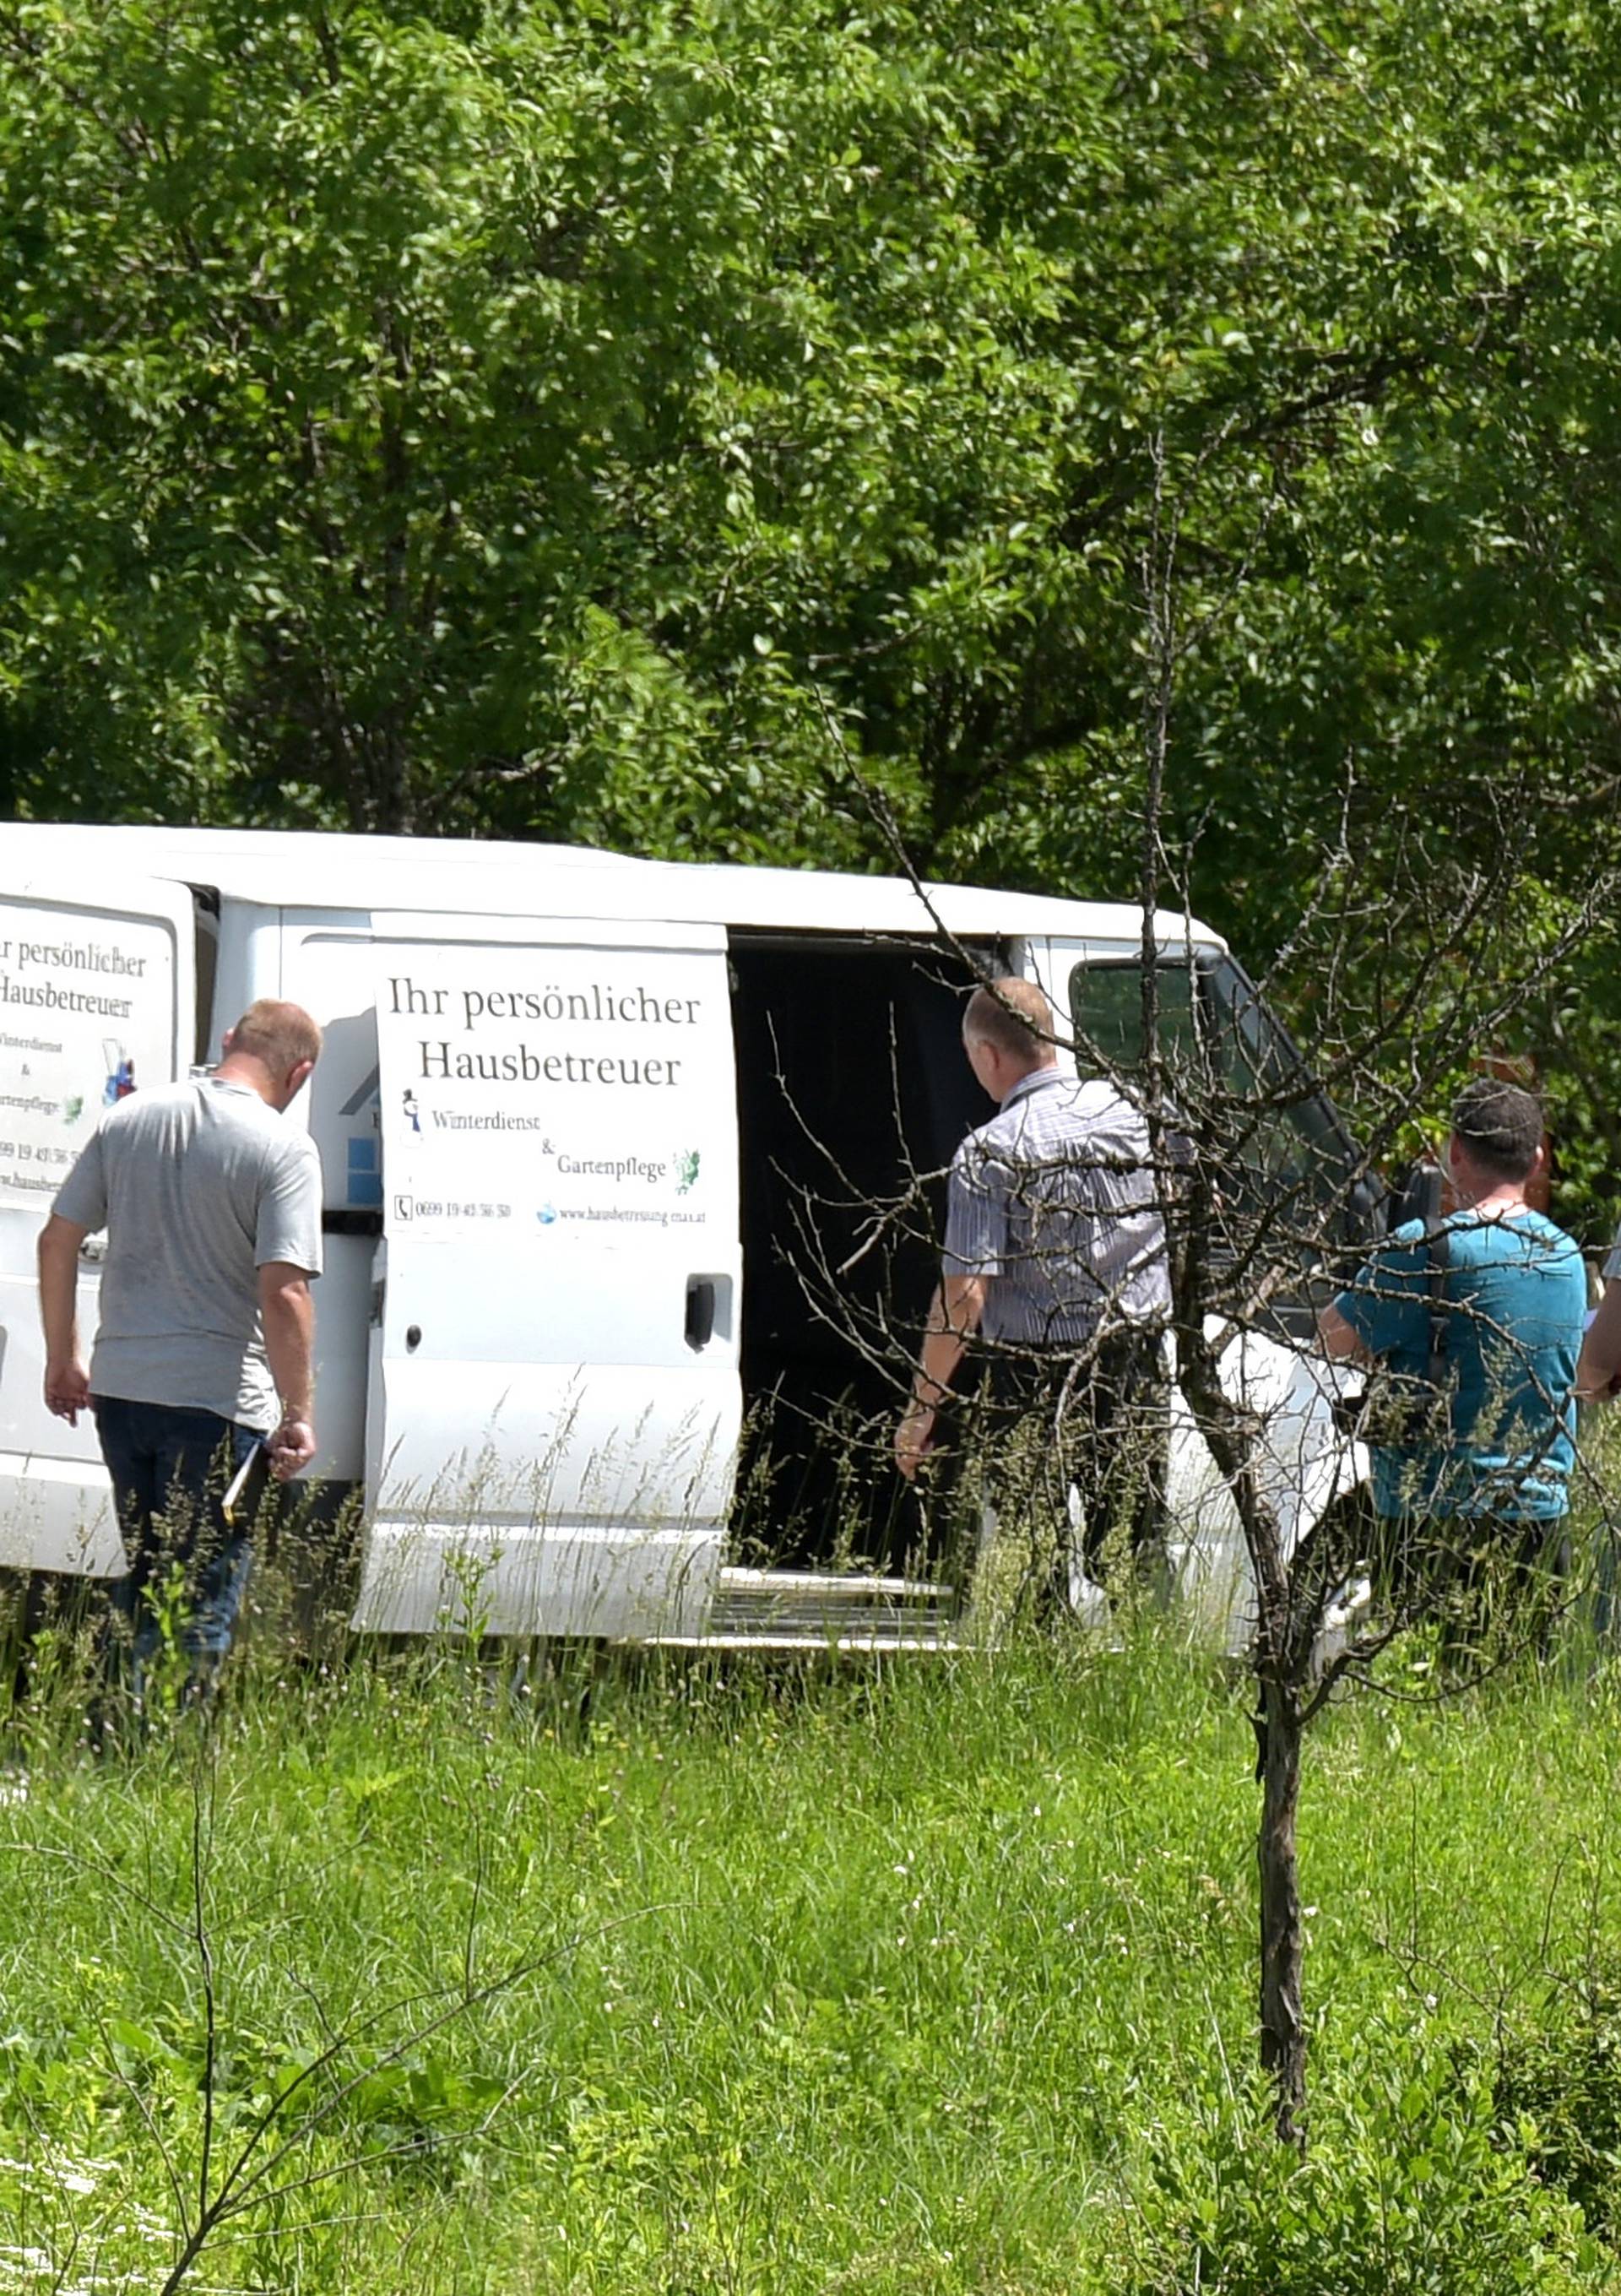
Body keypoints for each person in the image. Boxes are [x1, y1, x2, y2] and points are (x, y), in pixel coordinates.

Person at [36, 1001, 324, 1702]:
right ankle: (160, 1761)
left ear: (229, 1040)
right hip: (216, 1403)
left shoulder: (130, 1117)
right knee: (201, 1598)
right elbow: (283, 1292)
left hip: (123, 1392)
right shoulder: (282, 1147)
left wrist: (63, 1358)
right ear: (302, 1071)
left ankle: (117, 1731)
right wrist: (298, 1410)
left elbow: (56, 1239)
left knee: (150, 1573)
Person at [893, 977, 1171, 1611]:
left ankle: (1049, 1675)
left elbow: (964, 1299)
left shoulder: (990, 1152)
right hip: (1134, 1364)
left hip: (1032, 1377)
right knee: (1136, 1551)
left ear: (988, 1055)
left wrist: (921, 1411)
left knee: (1035, 1562)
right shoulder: (1135, 1117)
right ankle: (1158, 1683)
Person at [1318, 1077, 1585, 1653]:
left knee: (1422, 1687)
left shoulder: (1424, 1246)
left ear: (1455, 1151)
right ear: (1537, 1158)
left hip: (1428, 1515)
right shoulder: (1568, 1259)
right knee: (1515, 1700)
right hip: (1538, 1514)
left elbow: (1331, 1337)